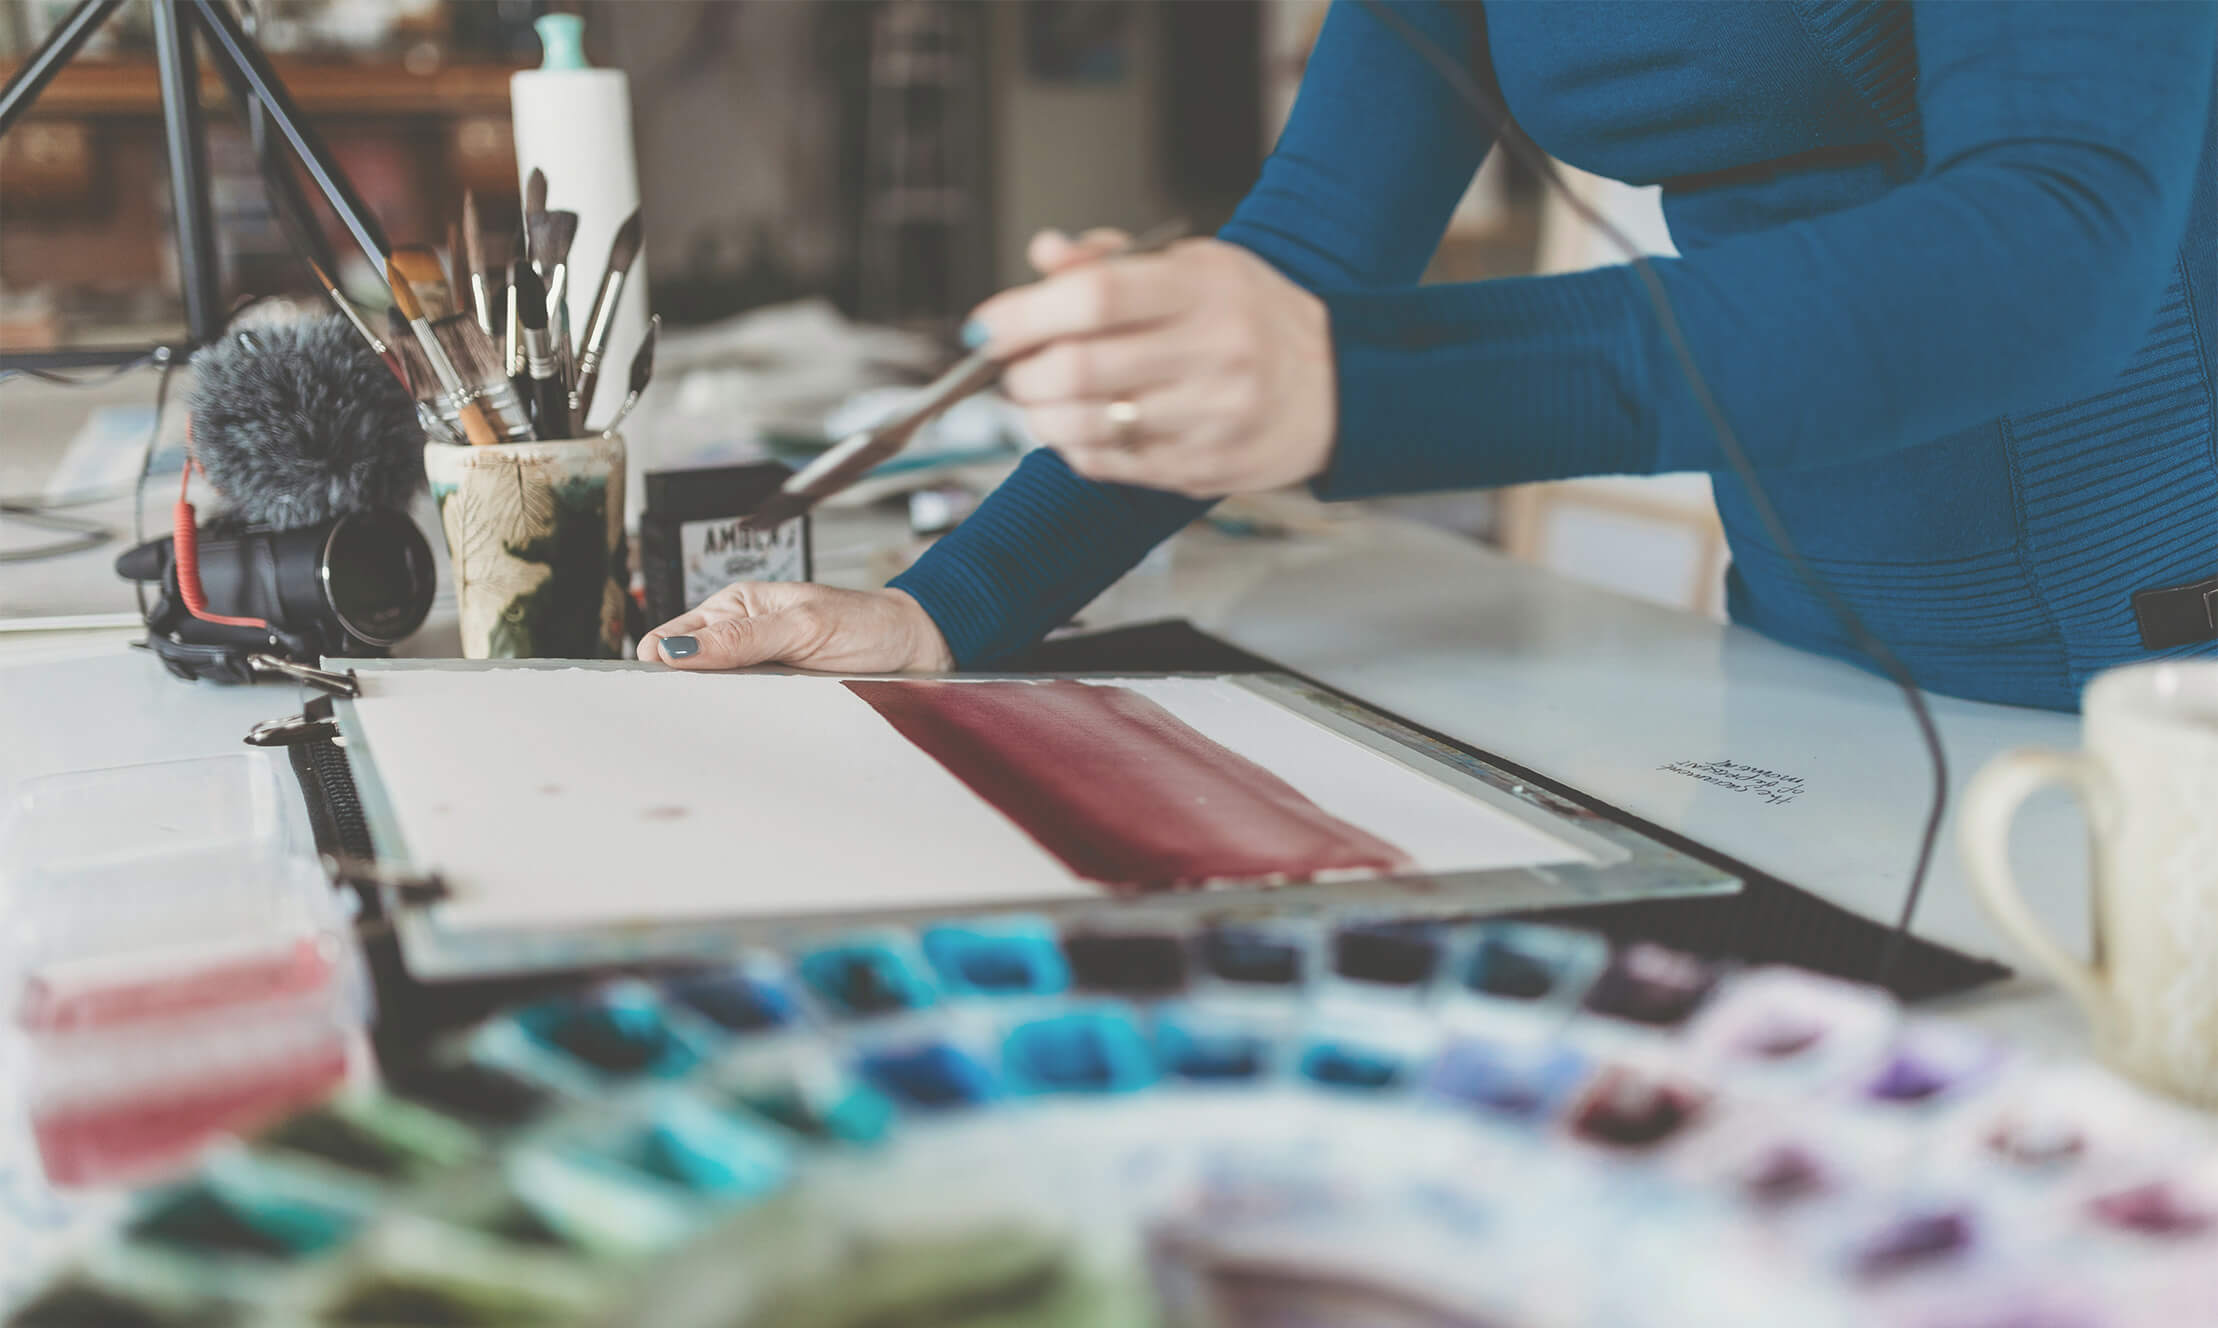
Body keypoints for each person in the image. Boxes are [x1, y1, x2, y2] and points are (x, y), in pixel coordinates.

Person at [643, 0, 2218, 713]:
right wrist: (952, 603)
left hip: (2158, 656)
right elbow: (1315, 247)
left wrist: (1361, 388)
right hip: (1807, 643)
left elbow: (2053, 244)